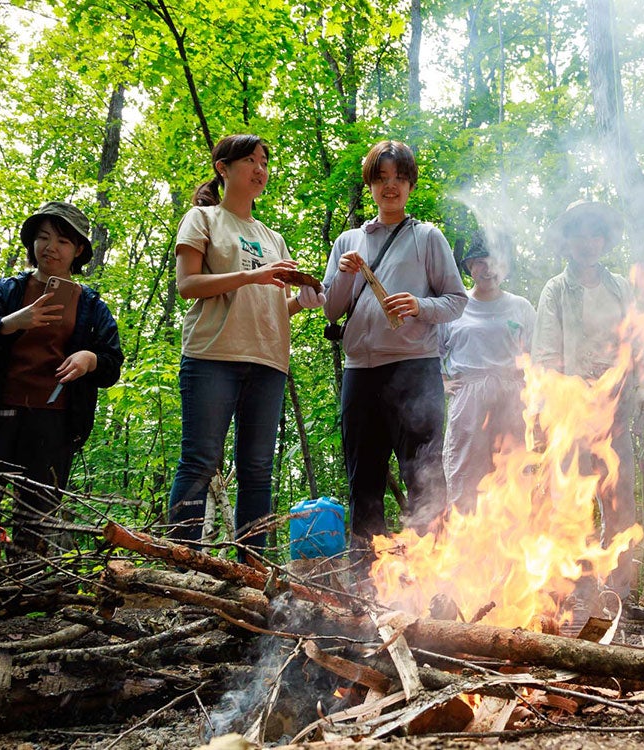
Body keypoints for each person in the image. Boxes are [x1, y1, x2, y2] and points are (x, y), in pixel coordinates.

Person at [0, 202, 123, 569]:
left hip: (54, 424)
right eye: (43, 237)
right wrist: (12, 322)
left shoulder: (92, 307)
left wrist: (90, 359)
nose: (50, 247)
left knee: (36, 518)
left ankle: (22, 598)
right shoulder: (6, 291)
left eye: (62, 241)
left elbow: (111, 364)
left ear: (79, 250)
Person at [167, 135, 324, 551]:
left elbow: (273, 305)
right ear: (223, 167)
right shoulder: (202, 220)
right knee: (200, 462)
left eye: (265, 162)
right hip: (212, 356)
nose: (260, 169)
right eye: (250, 160)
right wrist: (252, 276)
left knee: (257, 469)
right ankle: (184, 563)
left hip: (268, 360)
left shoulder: (272, 237)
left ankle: (252, 570)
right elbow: (188, 285)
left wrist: (300, 302)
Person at [322, 140, 467, 553]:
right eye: (382, 178)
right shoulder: (348, 241)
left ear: (410, 185)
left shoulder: (427, 237)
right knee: (363, 480)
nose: (391, 187)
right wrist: (347, 275)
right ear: (370, 184)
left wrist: (419, 305)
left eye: (400, 178)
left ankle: (435, 577)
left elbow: (457, 301)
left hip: (414, 371)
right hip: (360, 373)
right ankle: (367, 583)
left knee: (423, 476)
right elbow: (332, 310)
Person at [531, 200, 644, 596]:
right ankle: (577, 590)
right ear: (568, 241)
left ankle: (619, 590)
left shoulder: (620, 288)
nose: (587, 241)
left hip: (615, 413)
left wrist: (643, 389)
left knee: (620, 501)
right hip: (572, 414)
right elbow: (545, 354)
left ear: (604, 240)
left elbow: (636, 343)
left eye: (594, 233)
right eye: (578, 233)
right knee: (572, 503)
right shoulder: (556, 289)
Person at [440, 230, 536, 513]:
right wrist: (442, 382)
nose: (487, 269)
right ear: (469, 267)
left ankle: (512, 547)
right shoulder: (456, 307)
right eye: (479, 262)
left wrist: (535, 398)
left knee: (513, 470)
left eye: (493, 261)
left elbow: (537, 354)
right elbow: (433, 349)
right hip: (468, 396)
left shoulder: (521, 307)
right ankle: (465, 543)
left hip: (511, 396)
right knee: (464, 468)